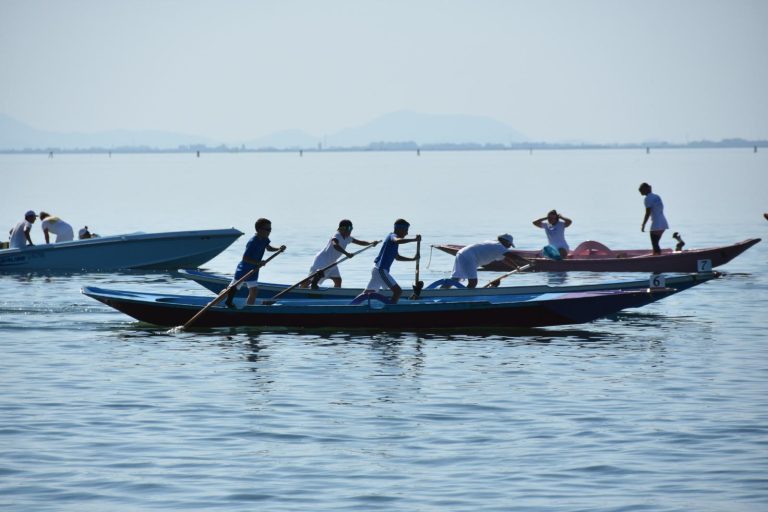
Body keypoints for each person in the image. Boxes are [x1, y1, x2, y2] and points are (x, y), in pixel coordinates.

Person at [224, 218, 286, 307]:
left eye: (270, 229)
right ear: (260, 230)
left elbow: (268, 248)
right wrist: (258, 262)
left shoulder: (265, 239)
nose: (269, 231)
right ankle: (217, 300)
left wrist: (278, 249)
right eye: (267, 229)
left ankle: (249, 308)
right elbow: (245, 258)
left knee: (254, 291)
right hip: (244, 269)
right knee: (230, 291)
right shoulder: (253, 242)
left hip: (254, 269)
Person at [301, 219, 377, 288]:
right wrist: (346, 253)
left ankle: (335, 294)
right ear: (343, 228)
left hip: (333, 263)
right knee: (311, 280)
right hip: (322, 261)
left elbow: (360, 242)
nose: (351, 231)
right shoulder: (336, 236)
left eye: (351, 228)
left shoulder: (348, 238)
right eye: (349, 228)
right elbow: (335, 245)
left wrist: (371, 243)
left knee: (338, 280)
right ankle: (301, 289)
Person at [363, 219, 421, 304]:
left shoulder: (393, 242)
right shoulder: (392, 236)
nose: (406, 233)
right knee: (398, 292)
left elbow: (397, 257)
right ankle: (391, 310)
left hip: (377, 269)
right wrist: (414, 239)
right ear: (399, 229)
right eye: (406, 230)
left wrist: (412, 259)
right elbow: (397, 240)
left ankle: (353, 305)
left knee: (367, 294)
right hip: (381, 269)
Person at [446, 234, 529, 288]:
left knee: (455, 278)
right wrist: (528, 261)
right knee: (473, 282)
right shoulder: (498, 246)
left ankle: (441, 291)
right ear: (505, 241)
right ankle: (466, 297)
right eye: (509, 244)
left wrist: (516, 267)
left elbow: (505, 259)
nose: (509, 247)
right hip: (469, 256)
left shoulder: (494, 245)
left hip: (461, 253)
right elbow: (512, 256)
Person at [639, 182, 669, 255]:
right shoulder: (657, 196)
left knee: (655, 243)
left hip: (656, 223)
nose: (640, 193)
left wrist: (643, 225)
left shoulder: (647, 199)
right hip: (663, 222)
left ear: (645, 190)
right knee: (656, 243)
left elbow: (648, 213)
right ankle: (656, 255)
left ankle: (657, 257)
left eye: (641, 191)